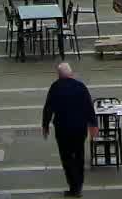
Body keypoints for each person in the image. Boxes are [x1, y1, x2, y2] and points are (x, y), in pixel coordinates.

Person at [42, 61, 98, 197]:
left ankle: (73, 185)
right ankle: (79, 185)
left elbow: (48, 108)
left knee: (66, 157)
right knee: (79, 155)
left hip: (63, 129)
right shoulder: (80, 86)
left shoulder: (55, 87)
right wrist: (93, 124)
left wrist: (45, 125)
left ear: (59, 75)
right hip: (79, 128)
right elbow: (88, 106)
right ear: (71, 73)